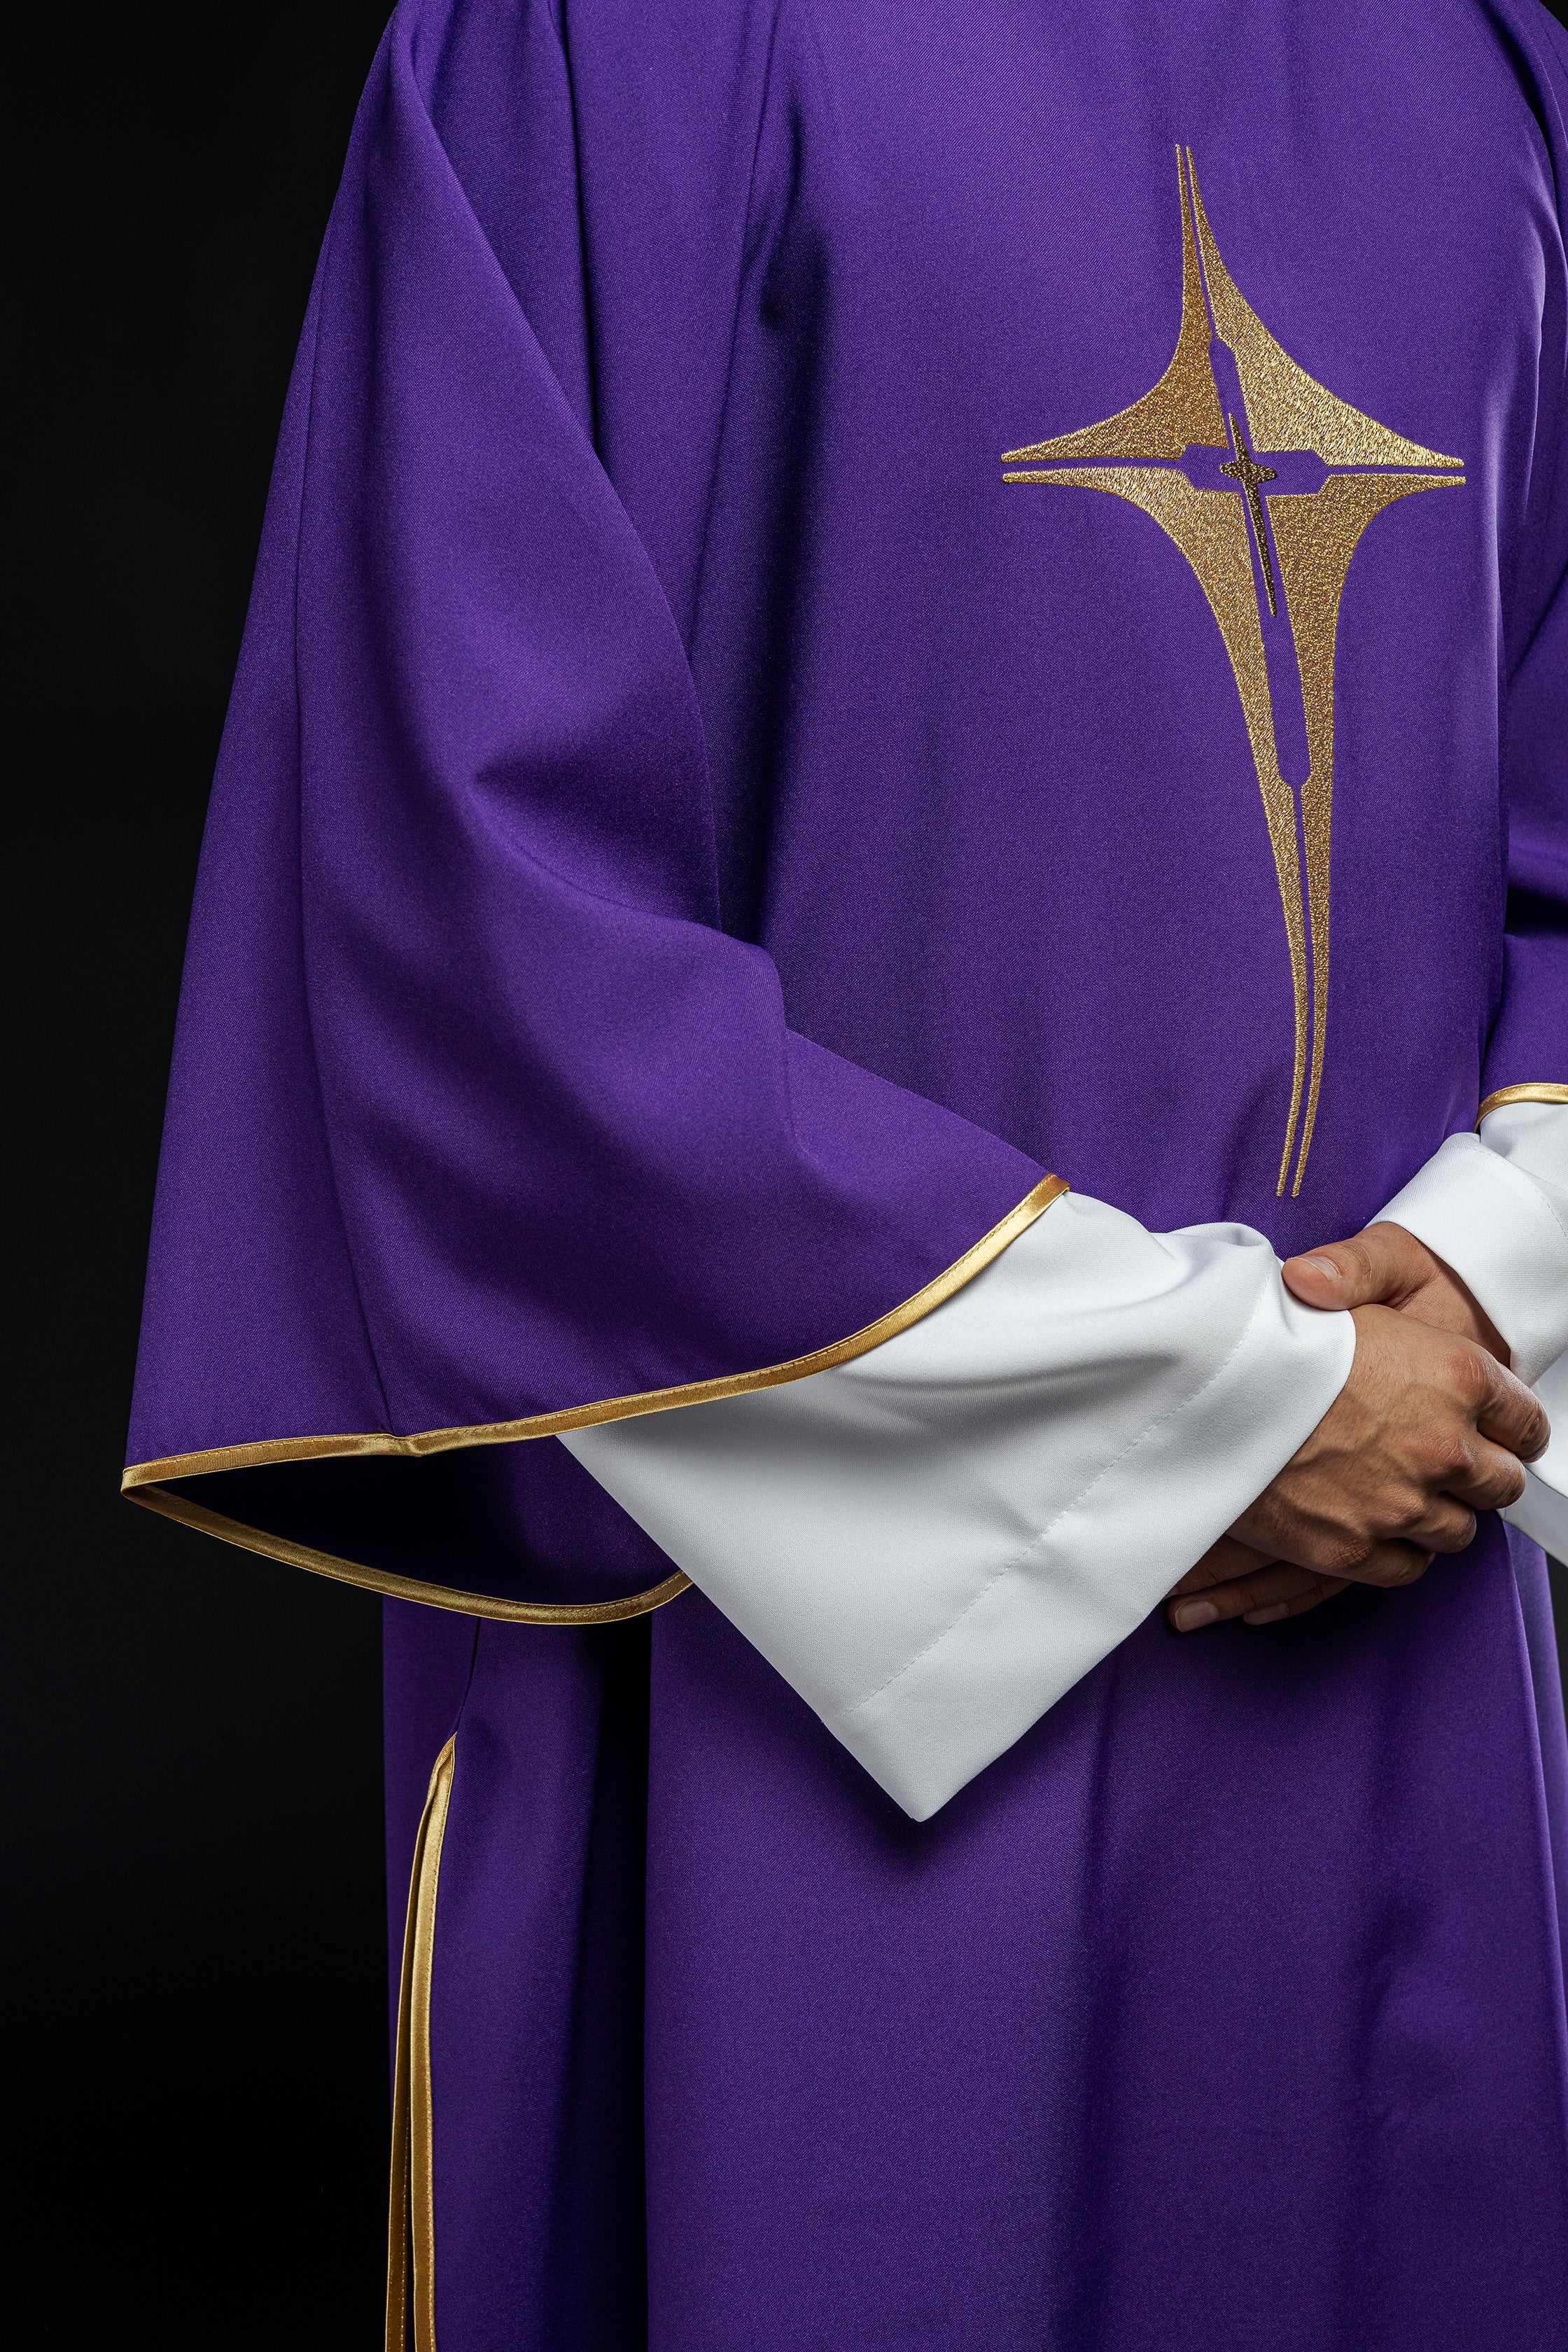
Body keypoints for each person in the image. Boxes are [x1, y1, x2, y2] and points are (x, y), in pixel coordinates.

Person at [125, 1, 1568, 2344]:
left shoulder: (1496, 50)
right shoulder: (603, 46)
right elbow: (470, 895)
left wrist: (1490, 1281)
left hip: (1414, 1559)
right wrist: (1215, 1408)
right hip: (812, 1620)